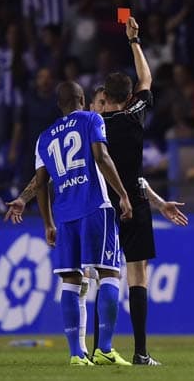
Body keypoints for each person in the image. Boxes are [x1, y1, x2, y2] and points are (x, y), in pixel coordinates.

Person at [34, 80, 133, 366]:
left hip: (64, 214)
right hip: (94, 206)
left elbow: (41, 184)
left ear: (58, 104)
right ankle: (104, 348)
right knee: (110, 274)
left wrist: (48, 223)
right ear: (83, 98)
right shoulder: (92, 118)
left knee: (70, 281)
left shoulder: (44, 137)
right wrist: (123, 195)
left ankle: (76, 354)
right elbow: (101, 157)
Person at [101, 16, 162, 366]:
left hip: (103, 205)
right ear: (128, 98)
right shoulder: (134, 116)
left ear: (105, 97)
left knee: (102, 275)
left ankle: (99, 348)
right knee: (137, 274)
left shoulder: (94, 125)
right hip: (135, 203)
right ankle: (140, 352)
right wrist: (134, 41)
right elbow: (147, 79)